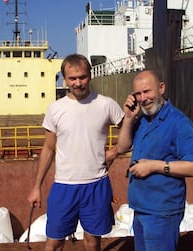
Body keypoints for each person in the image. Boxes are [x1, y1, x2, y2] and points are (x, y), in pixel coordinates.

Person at [27, 54, 125, 251]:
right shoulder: (55, 108)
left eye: (82, 77)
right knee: (53, 242)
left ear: (90, 76)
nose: (78, 83)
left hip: (96, 185)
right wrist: (36, 186)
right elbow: (48, 148)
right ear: (65, 79)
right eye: (72, 78)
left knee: (92, 241)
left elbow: (129, 129)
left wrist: (114, 152)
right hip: (64, 186)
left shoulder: (106, 104)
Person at [112, 70, 193, 251]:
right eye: (138, 94)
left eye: (147, 91)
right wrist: (129, 118)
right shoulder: (143, 120)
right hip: (141, 207)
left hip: (162, 212)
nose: (143, 98)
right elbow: (122, 147)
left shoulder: (179, 123)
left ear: (161, 88)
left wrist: (153, 166)